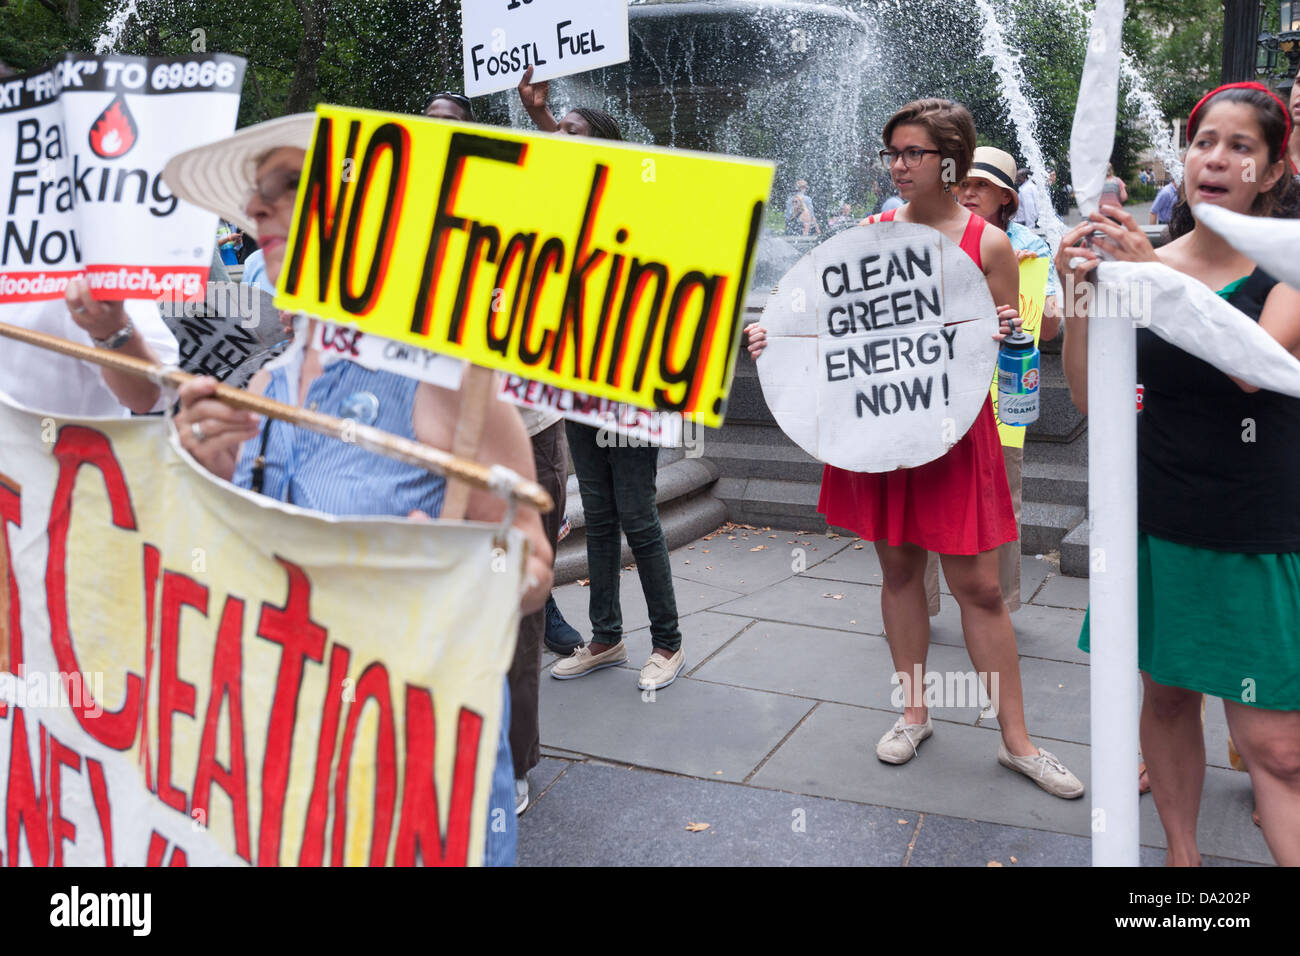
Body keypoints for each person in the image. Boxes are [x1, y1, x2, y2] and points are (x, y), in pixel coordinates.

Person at [162, 114, 553, 865]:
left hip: (416, 764)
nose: (257, 210)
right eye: (255, 194)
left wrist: (464, 570)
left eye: (287, 187)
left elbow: (532, 565)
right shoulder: (267, 384)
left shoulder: (448, 381)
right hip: (288, 752)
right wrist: (206, 479)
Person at [747, 99, 1083, 799]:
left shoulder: (988, 244)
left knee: (981, 589)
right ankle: (913, 712)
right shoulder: (869, 234)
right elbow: (828, 329)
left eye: (913, 154)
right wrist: (773, 338)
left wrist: (1004, 331)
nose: (898, 166)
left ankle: (1018, 742)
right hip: (884, 433)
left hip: (955, 439)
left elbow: (1006, 347)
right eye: (892, 154)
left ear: (950, 161)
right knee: (898, 575)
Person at [1057, 81, 1300, 866]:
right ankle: (1182, 866)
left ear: (1272, 169)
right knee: (1165, 697)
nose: (1216, 159)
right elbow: (1091, 393)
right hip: (1160, 517)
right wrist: (1082, 291)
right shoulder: (1146, 258)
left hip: (1262, 525)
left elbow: (1251, 369)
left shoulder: (1289, 261)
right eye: (1203, 142)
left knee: (1277, 744)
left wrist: (1150, 276)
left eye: (1240, 147)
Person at [516, 69, 687, 693]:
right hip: (578, 380)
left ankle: (667, 642)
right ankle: (608, 637)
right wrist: (541, 123)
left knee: (638, 516)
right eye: (560, 131)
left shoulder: (635, 204)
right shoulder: (568, 215)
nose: (562, 138)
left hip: (632, 384)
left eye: (574, 131)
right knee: (601, 515)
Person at [936, 145, 1062, 617]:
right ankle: (916, 603)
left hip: (1000, 399)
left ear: (1005, 197)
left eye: (981, 185)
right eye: (963, 182)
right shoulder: (934, 234)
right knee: (921, 495)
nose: (968, 192)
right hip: (935, 395)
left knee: (1002, 500)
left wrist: (1042, 276)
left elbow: (1049, 329)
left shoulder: (1033, 245)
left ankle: (1000, 609)